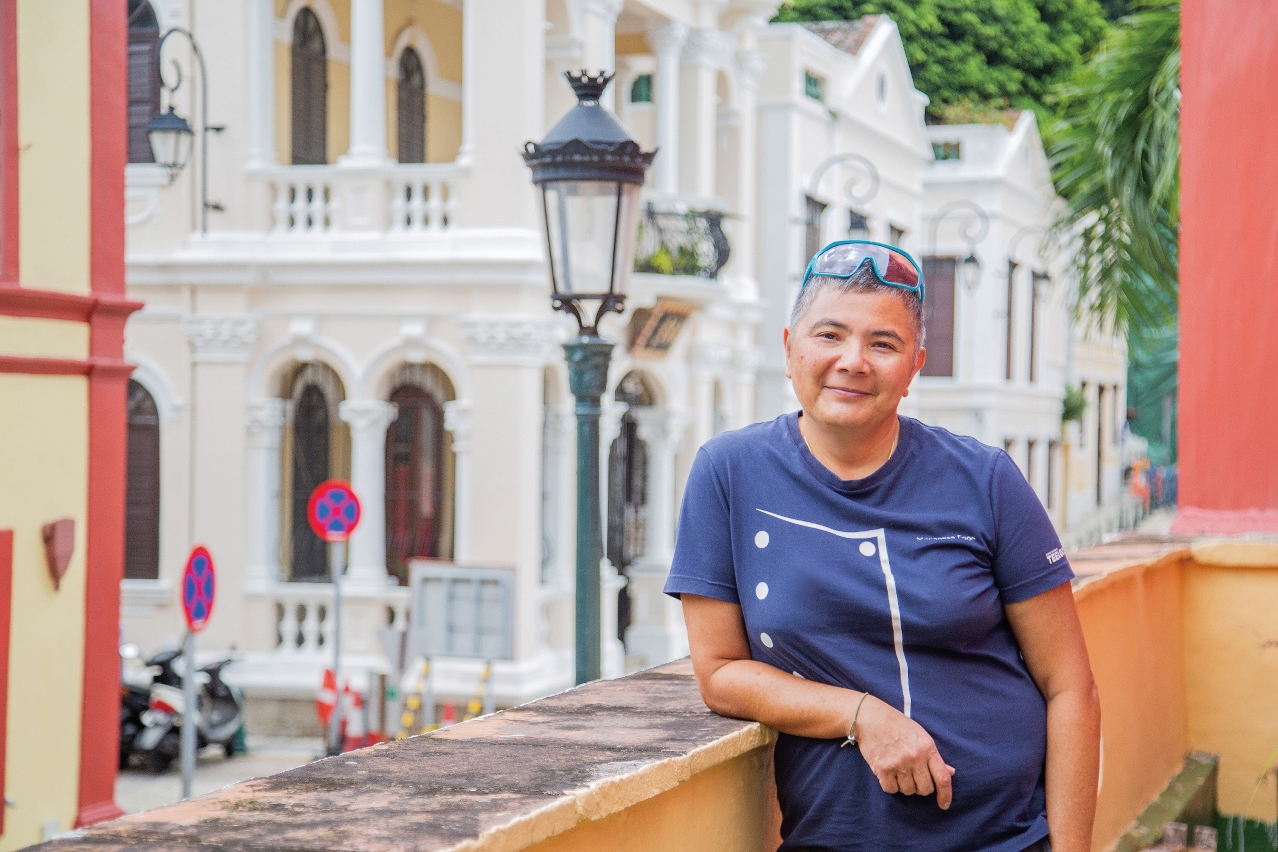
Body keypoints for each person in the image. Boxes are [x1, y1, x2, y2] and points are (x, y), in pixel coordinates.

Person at [664, 240, 1100, 852]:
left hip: (1007, 837)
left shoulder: (986, 480)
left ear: (915, 366)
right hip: (835, 838)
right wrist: (861, 714)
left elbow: (1070, 686)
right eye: (829, 335)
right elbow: (719, 673)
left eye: (883, 344)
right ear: (789, 349)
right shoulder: (730, 473)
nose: (853, 361)